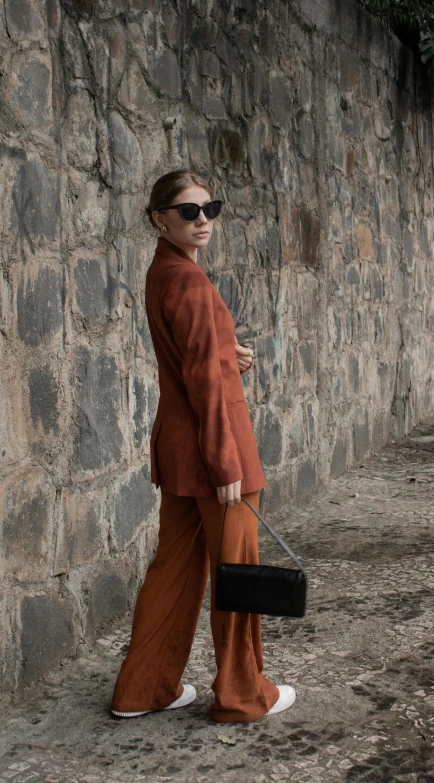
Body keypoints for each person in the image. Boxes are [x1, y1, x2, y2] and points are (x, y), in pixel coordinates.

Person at [110, 170, 296, 723]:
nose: (202, 221)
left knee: (173, 570)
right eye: (188, 212)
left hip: (178, 451)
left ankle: (142, 690)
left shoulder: (162, 273)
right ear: (158, 218)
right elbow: (203, 383)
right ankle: (243, 695)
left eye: (209, 209)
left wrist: (222, 350)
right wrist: (224, 460)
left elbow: (191, 359)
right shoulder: (188, 282)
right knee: (237, 571)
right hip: (217, 450)